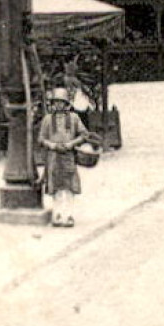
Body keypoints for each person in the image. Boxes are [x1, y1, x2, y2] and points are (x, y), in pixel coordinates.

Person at [38, 87, 98, 227]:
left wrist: (71, 144)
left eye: (61, 102)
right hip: (53, 157)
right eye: (56, 102)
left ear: (67, 104)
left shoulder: (74, 118)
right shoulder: (47, 119)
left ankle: (69, 214)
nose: (59, 105)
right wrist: (52, 145)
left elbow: (84, 134)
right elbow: (41, 138)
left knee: (70, 187)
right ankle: (57, 215)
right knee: (55, 187)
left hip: (68, 156)